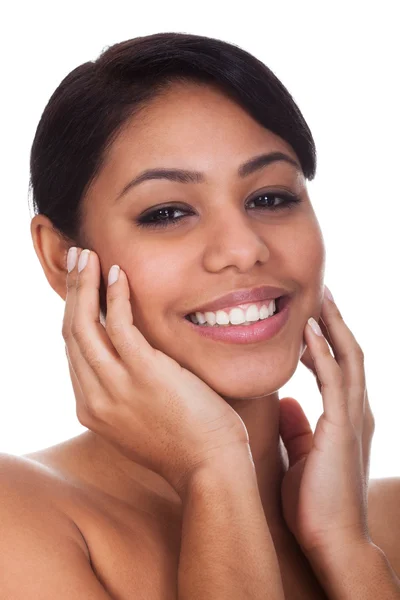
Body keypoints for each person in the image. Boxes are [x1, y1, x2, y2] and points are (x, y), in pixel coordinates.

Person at [1, 32, 399, 599]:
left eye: (270, 198)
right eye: (167, 212)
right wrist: (214, 473)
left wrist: (345, 548)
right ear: (62, 256)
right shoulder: (18, 517)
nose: (242, 249)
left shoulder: (390, 524)